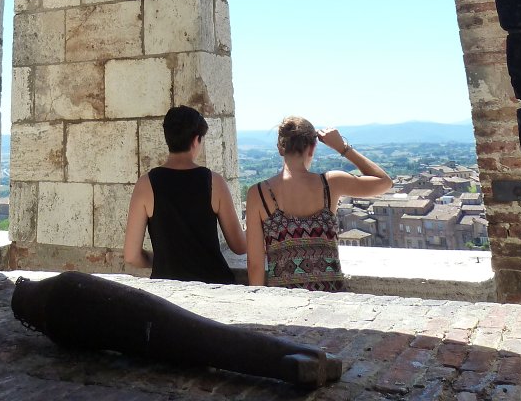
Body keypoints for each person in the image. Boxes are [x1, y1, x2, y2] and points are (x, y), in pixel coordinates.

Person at [246, 116, 392, 291]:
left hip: (283, 305)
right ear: (312, 148)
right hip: (329, 303)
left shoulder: (258, 194)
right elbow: (384, 182)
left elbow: (255, 266)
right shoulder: (331, 184)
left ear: (280, 148)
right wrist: (343, 148)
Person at [124, 105, 247, 283]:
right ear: (196, 140)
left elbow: (131, 256)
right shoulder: (214, 182)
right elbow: (239, 246)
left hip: (167, 290)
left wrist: (158, 260)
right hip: (213, 285)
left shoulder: (145, 185)